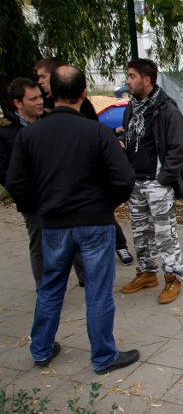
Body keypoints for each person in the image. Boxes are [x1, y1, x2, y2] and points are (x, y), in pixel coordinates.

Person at [6, 65, 140, 373]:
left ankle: (40, 349)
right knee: (97, 290)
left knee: (51, 287)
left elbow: (16, 183)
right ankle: (103, 357)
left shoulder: (31, 135)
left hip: (53, 223)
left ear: (50, 92)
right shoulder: (97, 132)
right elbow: (124, 179)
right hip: (94, 223)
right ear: (83, 93)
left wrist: (40, 207)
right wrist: (104, 205)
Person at [35, 57, 135, 267]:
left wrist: (105, 204)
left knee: (54, 285)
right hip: (60, 210)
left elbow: (96, 137)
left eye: (42, 77)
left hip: (88, 205)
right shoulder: (36, 127)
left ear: (53, 82)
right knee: (80, 282)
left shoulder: (86, 115)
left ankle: (120, 246)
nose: (39, 82)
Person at [120, 58, 183, 304]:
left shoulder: (167, 109)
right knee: (140, 233)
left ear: (146, 80)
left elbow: (179, 149)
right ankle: (147, 272)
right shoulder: (132, 108)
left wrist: (163, 179)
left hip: (157, 184)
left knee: (164, 234)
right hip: (135, 183)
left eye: (131, 76)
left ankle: (173, 278)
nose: (127, 81)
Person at [1, 78, 46, 287]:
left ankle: (85, 280)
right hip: (32, 201)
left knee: (71, 239)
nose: (40, 102)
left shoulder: (50, 123)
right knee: (39, 245)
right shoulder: (6, 132)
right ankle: (44, 288)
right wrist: (24, 195)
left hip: (59, 194)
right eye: (33, 98)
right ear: (18, 103)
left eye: (40, 96)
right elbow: (5, 172)